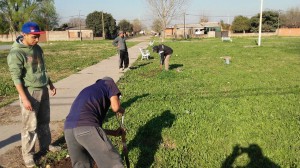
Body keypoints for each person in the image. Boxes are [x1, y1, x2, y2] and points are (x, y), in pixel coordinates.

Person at [7, 21, 58, 168]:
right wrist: (24, 98)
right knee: (30, 125)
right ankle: (28, 155)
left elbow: (42, 69)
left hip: (43, 88)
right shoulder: (16, 53)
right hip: (30, 92)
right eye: (34, 36)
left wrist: (50, 83)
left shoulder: (37, 48)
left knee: (44, 121)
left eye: (38, 36)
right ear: (24, 34)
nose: (37, 39)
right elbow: (16, 78)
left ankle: (46, 146)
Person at [64, 77, 125, 168]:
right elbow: (115, 107)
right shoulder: (109, 83)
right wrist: (121, 110)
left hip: (68, 130)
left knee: (81, 165)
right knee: (113, 164)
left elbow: (91, 130)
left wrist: (113, 133)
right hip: (86, 128)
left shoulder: (89, 90)